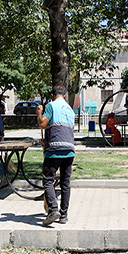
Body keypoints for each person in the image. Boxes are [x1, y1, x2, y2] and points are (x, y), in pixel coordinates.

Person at [36, 86, 75, 226]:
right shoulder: (70, 110)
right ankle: (63, 215)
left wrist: (39, 113)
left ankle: (53, 210)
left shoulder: (51, 106)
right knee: (65, 182)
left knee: (47, 179)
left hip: (54, 149)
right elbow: (63, 129)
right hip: (69, 149)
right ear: (65, 95)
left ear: (53, 95)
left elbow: (42, 124)